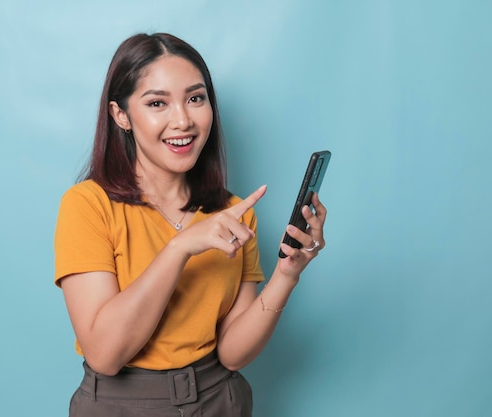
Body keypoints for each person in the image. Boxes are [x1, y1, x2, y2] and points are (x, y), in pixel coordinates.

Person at [53, 32, 327, 417]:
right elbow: (104, 355)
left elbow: (233, 353)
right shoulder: (88, 205)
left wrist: (287, 275)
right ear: (121, 116)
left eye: (195, 98)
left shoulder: (234, 212)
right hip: (122, 404)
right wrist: (180, 248)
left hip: (220, 399)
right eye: (157, 103)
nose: (182, 120)